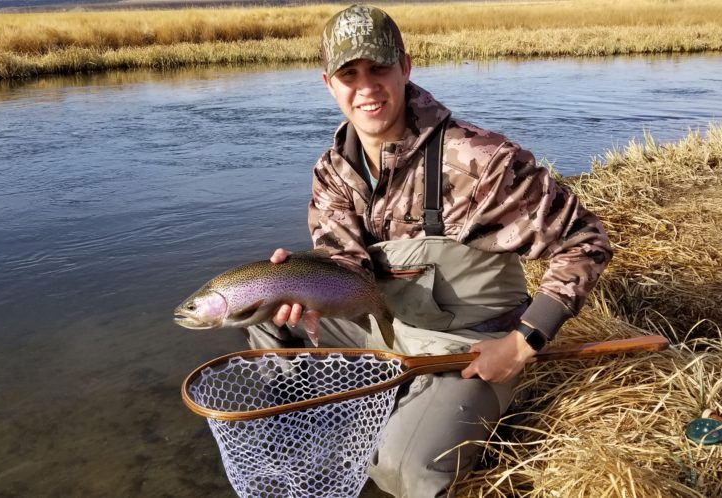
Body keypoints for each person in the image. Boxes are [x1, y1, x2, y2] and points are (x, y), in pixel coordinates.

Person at [245, 4, 612, 497]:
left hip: (468, 347)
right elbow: (344, 265)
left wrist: (524, 342)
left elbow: (585, 240)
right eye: (349, 74)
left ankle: (432, 419)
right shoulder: (334, 170)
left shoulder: (480, 161)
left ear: (406, 68)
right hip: (387, 325)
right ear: (328, 83)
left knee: (407, 468)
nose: (367, 87)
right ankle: (322, 425)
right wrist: (299, 284)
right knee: (267, 314)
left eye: (380, 69)